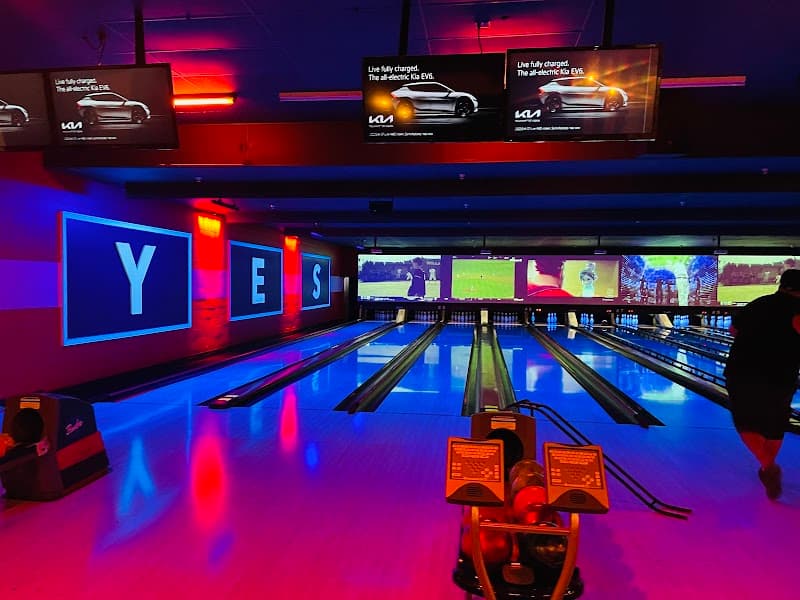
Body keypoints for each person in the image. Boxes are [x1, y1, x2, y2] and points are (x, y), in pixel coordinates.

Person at [724, 269, 800, 500]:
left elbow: (733, 330)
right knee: (775, 424)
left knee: (746, 423)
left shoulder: (758, 303)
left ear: (781, 284)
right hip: (781, 374)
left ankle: (768, 466)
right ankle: (768, 466)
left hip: (743, 371)